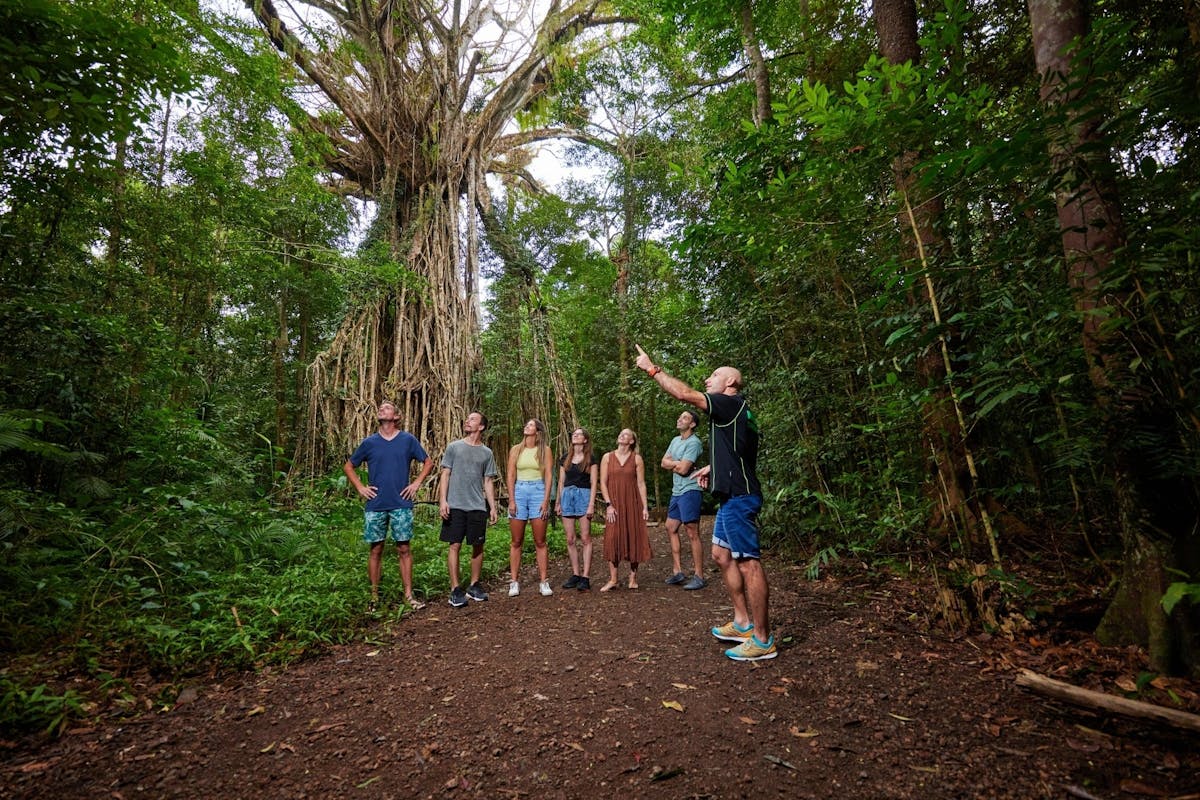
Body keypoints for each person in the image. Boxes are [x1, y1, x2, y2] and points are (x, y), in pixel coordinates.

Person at [634, 344, 775, 661]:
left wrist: (652, 369)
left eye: (714, 375)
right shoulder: (741, 413)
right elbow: (742, 451)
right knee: (721, 555)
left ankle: (763, 639)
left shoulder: (728, 402)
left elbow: (685, 395)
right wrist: (714, 467)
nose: (708, 379)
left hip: (740, 497)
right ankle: (742, 622)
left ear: (730, 384)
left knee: (748, 562)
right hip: (730, 495)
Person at [343, 401, 435, 613]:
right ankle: (374, 597)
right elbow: (349, 466)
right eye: (380, 408)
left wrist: (416, 483)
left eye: (387, 407)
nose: (381, 409)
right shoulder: (369, 443)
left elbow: (428, 462)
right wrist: (360, 487)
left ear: (396, 416)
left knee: (404, 548)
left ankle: (408, 595)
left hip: (401, 503)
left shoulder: (407, 440)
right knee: (376, 549)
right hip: (375, 504)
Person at [439, 411, 500, 608]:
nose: (468, 420)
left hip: (476, 506)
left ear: (481, 427)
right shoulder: (454, 447)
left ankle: (474, 585)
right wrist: (443, 501)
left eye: (472, 419)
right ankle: (455, 589)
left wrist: (492, 507)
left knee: (477, 545)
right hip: (455, 504)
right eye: (468, 418)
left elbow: (488, 481)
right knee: (454, 545)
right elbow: (445, 474)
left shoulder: (487, 453)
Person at [506, 418, 554, 597]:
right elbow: (510, 474)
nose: (527, 426)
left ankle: (543, 581)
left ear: (538, 431)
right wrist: (511, 499)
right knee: (516, 540)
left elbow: (549, 475)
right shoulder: (516, 450)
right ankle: (514, 582)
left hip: (538, 491)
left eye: (531, 425)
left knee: (540, 540)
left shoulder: (545, 451)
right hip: (519, 491)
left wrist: (545, 499)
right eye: (526, 424)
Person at [599, 428, 652, 591]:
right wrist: (608, 505)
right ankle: (613, 579)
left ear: (631, 441)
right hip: (614, 503)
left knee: (633, 536)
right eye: (621, 433)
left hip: (632, 503)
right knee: (612, 537)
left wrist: (644, 507)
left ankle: (632, 578)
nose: (622, 435)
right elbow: (603, 482)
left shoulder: (637, 459)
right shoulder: (607, 457)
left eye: (626, 434)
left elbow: (641, 483)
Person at [661, 409, 707, 591]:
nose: (680, 419)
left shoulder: (694, 443)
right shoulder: (675, 441)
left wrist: (675, 465)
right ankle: (678, 571)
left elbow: (684, 469)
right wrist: (676, 464)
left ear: (693, 424)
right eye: (680, 416)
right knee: (670, 527)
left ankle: (699, 576)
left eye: (685, 418)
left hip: (691, 490)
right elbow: (664, 462)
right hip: (677, 491)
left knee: (691, 532)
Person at [556, 427, 599, 591]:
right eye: (574, 434)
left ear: (585, 440)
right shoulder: (565, 458)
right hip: (567, 495)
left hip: (584, 495)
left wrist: (591, 504)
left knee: (586, 537)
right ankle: (575, 574)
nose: (575, 435)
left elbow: (594, 482)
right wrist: (558, 502)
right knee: (570, 539)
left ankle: (585, 577)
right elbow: (561, 481)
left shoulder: (591, 459)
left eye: (579, 434)